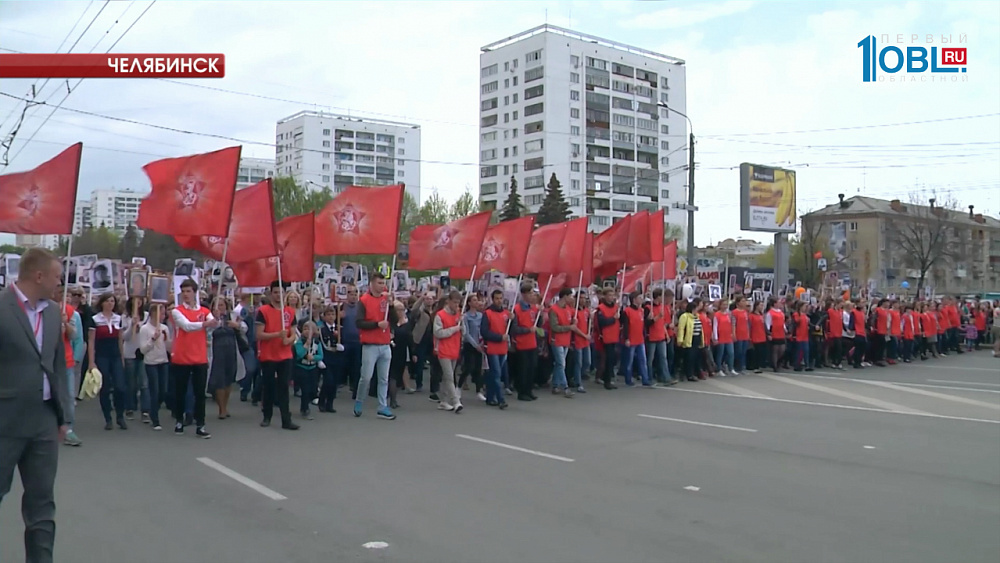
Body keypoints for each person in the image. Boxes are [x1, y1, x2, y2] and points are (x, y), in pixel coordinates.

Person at [0, 247, 71, 563]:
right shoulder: (2, 308)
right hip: (5, 421)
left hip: (44, 420)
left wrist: (63, 415)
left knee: (42, 504)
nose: (61, 282)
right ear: (38, 275)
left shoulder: (55, 312)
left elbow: (57, 366)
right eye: (57, 276)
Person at [170, 278, 216, 438]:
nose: (186, 294)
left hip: (200, 357)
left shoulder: (204, 311)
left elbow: (213, 323)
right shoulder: (177, 311)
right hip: (182, 357)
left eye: (189, 291)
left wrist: (215, 319)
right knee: (180, 392)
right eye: (183, 291)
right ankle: (179, 421)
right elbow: (187, 326)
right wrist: (205, 324)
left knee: (199, 393)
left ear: (195, 293)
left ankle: (200, 425)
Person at [255, 282, 300, 430]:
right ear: (270, 294)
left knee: (284, 387)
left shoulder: (290, 312)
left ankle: (286, 419)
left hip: (285, 355)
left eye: (280, 292)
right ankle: (266, 415)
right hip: (268, 355)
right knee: (268, 387)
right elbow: (259, 334)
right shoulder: (263, 311)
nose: (278, 295)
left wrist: (289, 339)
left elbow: (293, 332)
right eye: (275, 292)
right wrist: (276, 335)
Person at [354, 272, 396, 419]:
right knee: (366, 376)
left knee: (384, 378)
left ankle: (382, 406)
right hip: (370, 345)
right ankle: (359, 400)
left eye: (383, 283)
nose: (382, 286)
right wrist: (377, 324)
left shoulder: (386, 299)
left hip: (385, 344)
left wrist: (391, 306)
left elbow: (394, 320)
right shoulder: (364, 301)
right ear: (371, 284)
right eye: (379, 283)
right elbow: (359, 322)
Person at [89, 293, 127, 430]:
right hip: (102, 356)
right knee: (104, 387)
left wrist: (122, 358)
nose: (110, 303)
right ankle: (108, 418)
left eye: (112, 301)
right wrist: (91, 362)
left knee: (120, 387)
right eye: (108, 301)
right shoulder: (95, 319)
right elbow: (91, 341)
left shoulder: (118, 319)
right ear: (102, 303)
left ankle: (120, 416)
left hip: (115, 356)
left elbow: (120, 340)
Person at [53, 284, 84, 446]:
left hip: (66, 360)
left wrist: (66, 324)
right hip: (48, 361)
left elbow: (74, 336)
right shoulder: (44, 309)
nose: (62, 295)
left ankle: (68, 429)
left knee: (68, 396)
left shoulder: (70, 312)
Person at [207, 297, 246, 420]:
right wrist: (215, 321)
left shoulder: (233, 316)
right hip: (217, 351)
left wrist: (237, 325)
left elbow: (245, 328)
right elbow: (206, 331)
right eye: (216, 305)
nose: (220, 307)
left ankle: (225, 404)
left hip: (231, 350)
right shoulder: (209, 318)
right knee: (219, 379)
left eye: (222, 305)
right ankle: (221, 408)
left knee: (229, 378)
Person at [139, 303, 171, 430]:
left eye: (164, 313)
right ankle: (155, 419)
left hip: (163, 361)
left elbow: (169, 347)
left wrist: (167, 339)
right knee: (154, 390)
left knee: (163, 391)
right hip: (151, 363)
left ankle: (154, 409)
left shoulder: (164, 328)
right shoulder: (145, 329)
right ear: (153, 314)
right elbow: (143, 349)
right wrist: (153, 339)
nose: (163, 316)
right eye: (161, 313)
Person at [432, 290, 465, 412]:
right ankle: (456, 401)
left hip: (454, 349)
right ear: (449, 301)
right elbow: (438, 333)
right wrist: (454, 328)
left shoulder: (458, 314)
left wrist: (462, 323)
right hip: (443, 349)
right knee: (450, 376)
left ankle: (444, 401)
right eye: (455, 302)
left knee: (448, 377)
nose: (457, 305)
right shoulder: (440, 315)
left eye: (459, 303)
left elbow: (463, 332)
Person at [480, 289, 511, 409]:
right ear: (493, 299)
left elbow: (509, 329)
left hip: (503, 348)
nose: (499, 301)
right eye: (497, 298)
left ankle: (490, 396)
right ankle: (501, 399)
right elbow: (484, 332)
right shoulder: (487, 313)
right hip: (492, 347)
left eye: (500, 298)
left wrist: (512, 320)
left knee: (494, 374)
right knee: (497, 373)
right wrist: (499, 337)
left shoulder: (506, 313)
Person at [510, 282, 541, 400]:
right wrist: (528, 330)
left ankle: (529, 390)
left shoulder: (533, 308)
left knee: (532, 368)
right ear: (524, 294)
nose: (533, 295)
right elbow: (515, 328)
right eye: (531, 293)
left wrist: (540, 314)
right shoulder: (517, 309)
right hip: (522, 343)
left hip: (532, 343)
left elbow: (538, 324)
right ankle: (522, 392)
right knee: (523, 369)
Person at [548, 288, 576, 397]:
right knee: (561, 363)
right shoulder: (553, 310)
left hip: (566, 340)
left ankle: (555, 385)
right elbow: (554, 327)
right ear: (565, 296)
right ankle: (565, 387)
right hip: (557, 340)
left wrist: (574, 321)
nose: (572, 298)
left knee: (559, 364)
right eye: (570, 296)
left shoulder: (569, 309)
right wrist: (569, 327)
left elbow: (573, 319)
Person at [293, 321, 323, 420]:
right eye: (305, 329)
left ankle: (309, 401)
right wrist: (306, 345)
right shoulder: (300, 342)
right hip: (302, 368)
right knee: (305, 389)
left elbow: (321, 356)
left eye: (309, 329)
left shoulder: (317, 342)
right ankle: (304, 409)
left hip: (313, 368)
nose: (306, 331)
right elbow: (299, 354)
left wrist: (313, 357)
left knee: (312, 388)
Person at [595, 287, 621, 390]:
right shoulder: (600, 308)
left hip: (614, 336)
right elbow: (602, 322)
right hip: (606, 337)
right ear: (604, 296)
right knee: (608, 359)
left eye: (612, 295)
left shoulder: (616, 307)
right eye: (609, 295)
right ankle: (607, 380)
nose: (611, 297)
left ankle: (608, 378)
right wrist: (613, 319)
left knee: (612, 359)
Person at [317, 306, 341, 413]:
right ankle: (322, 401)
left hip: (337, 359)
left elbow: (345, 342)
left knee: (335, 382)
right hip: (327, 358)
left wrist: (343, 346)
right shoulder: (322, 330)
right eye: (329, 315)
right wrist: (319, 359)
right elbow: (320, 344)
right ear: (324, 316)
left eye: (333, 314)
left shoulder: (340, 328)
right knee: (328, 381)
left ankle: (330, 403)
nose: (331, 317)